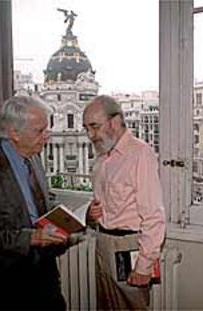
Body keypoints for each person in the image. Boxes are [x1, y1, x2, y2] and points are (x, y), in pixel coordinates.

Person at [0, 96, 69, 310]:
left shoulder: (33, 157)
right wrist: (30, 238)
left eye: (47, 128)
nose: (48, 136)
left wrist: (69, 218)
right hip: (3, 286)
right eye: (40, 131)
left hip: (44, 279)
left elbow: (38, 204)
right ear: (14, 133)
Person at [83, 95, 165, 310]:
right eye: (87, 128)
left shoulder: (141, 153)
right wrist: (92, 215)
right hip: (103, 243)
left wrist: (144, 265)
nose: (90, 135)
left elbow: (154, 215)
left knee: (131, 306)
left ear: (116, 121)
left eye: (94, 126)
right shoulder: (103, 157)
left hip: (130, 247)